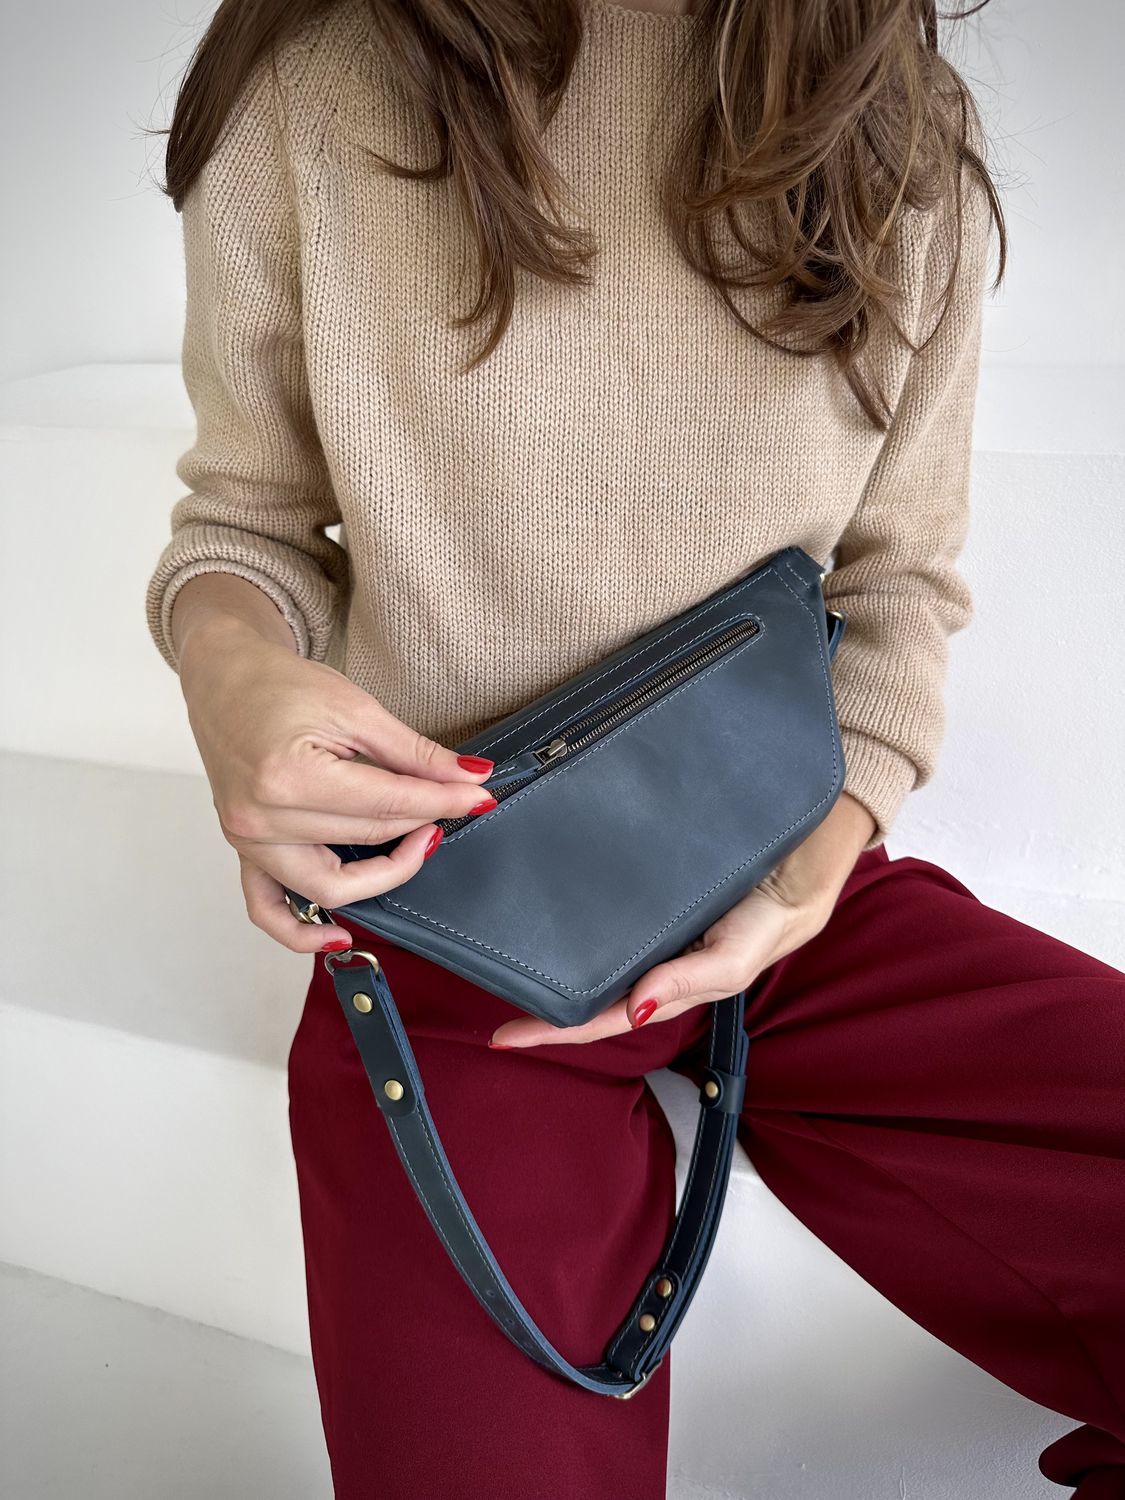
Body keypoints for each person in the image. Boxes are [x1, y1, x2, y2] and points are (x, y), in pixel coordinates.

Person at [143, 0, 1125, 1495]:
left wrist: (821, 855)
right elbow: (250, 522)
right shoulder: (320, 84)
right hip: (451, 909)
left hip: (791, 873)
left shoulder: (892, 117)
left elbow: (896, 583)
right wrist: (232, 678)